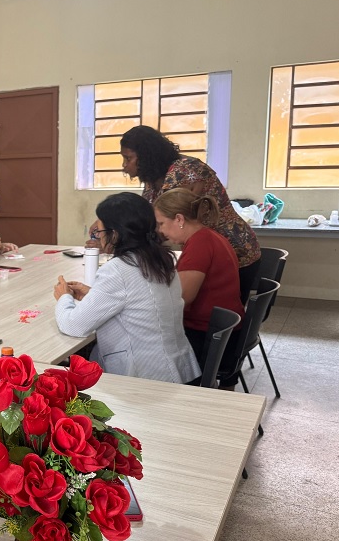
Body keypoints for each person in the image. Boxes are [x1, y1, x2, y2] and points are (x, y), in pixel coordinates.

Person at [53, 193, 199, 383]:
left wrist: (64, 297)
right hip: (176, 368)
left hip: (141, 378)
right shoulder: (161, 259)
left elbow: (74, 326)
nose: (99, 236)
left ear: (115, 234)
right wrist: (94, 294)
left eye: (101, 230)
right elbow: (143, 300)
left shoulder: (118, 269)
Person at [119, 125, 261, 303]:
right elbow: (147, 219)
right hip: (205, 253)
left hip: (234, 251)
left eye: (128, 158)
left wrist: (122, 242)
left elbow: (163, 222)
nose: (124, 166)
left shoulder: (185, 171)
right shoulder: (153, 179)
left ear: (147, 156)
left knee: (211, 313)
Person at [154, 189, 245, 384]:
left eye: (161, 223)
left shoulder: (199, 244)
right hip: (223, 331)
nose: (160, 231)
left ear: (179, 219)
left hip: (207, 335)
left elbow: (183, 298)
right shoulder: (210, 236)